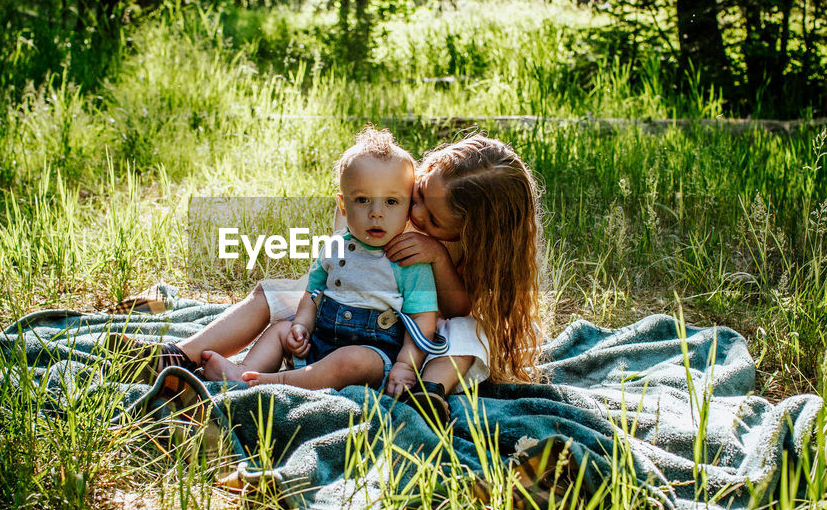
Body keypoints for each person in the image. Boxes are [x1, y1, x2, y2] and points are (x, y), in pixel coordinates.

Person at [145, 133, 545, 420]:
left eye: (434, 219)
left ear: (472, 232)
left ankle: (427, 394)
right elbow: (337, 253)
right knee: (273, 293)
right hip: (353, 302)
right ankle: (183, 354)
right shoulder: (394, 202)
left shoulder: (465, 249)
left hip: (415, 340)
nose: (417, 214)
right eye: (418, 195)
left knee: (471, 333)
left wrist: (438, 258)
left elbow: (457, 307)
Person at [203, 127, 444, 397]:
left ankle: (271, 382)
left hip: (373, 356)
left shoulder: (408, 259)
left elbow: (423, 319)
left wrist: (405, 366)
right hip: (320, 341)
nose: (376, 213)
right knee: (280, 330)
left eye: (391, 201)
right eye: (363, 200)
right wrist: (302, 326)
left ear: (408, 206)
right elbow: (313, 293)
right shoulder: (335, 246)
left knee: (349, 360)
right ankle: (245, 370)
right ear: (343, 205)